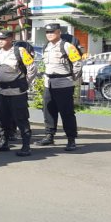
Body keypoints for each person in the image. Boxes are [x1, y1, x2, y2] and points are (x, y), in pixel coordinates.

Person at [0, 30, 38, 156]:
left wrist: (24, 83)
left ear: (11, 39)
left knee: (21, 118)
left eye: (3, 39)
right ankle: (4, 141)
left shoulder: (20, 51)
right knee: (2, 117)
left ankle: (26, 145)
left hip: (16, 92)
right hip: (1, 91)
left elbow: (32, 68)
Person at [37, 23, 83, 151]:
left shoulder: (67, 46)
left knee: (67, 112)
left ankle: (71, 139)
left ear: (59, 32)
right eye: (47, 32)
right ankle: (49, 135)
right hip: (49, 83)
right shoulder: (46, 46)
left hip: (64, 83)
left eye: (52, 32)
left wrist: (73, 78)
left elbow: (77, 63)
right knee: (48, 110)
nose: (49, 34)